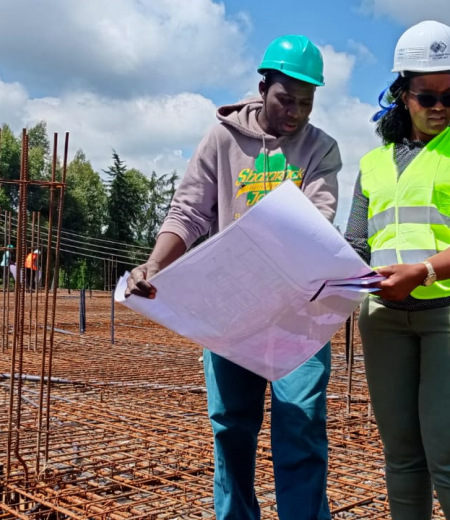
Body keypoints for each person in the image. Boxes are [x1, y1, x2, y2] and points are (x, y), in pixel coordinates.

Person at [125, 35, 341, 520]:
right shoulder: (222, 139)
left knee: (301, 425)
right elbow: (189, 212)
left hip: (296, 318)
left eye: (307, 103)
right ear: (263, 88)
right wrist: (155, 265)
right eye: (287, 99)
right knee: (231, 428)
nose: (296, 113)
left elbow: (317, 224)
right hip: (232, 315)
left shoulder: (320, 149)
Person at [344, 21, 450, 520]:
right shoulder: (372, 163)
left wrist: (424, 271)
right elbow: (356, 244)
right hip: (386, 318)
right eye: (426, 96)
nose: (439, 107)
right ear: (401, 95)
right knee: (402, 460)